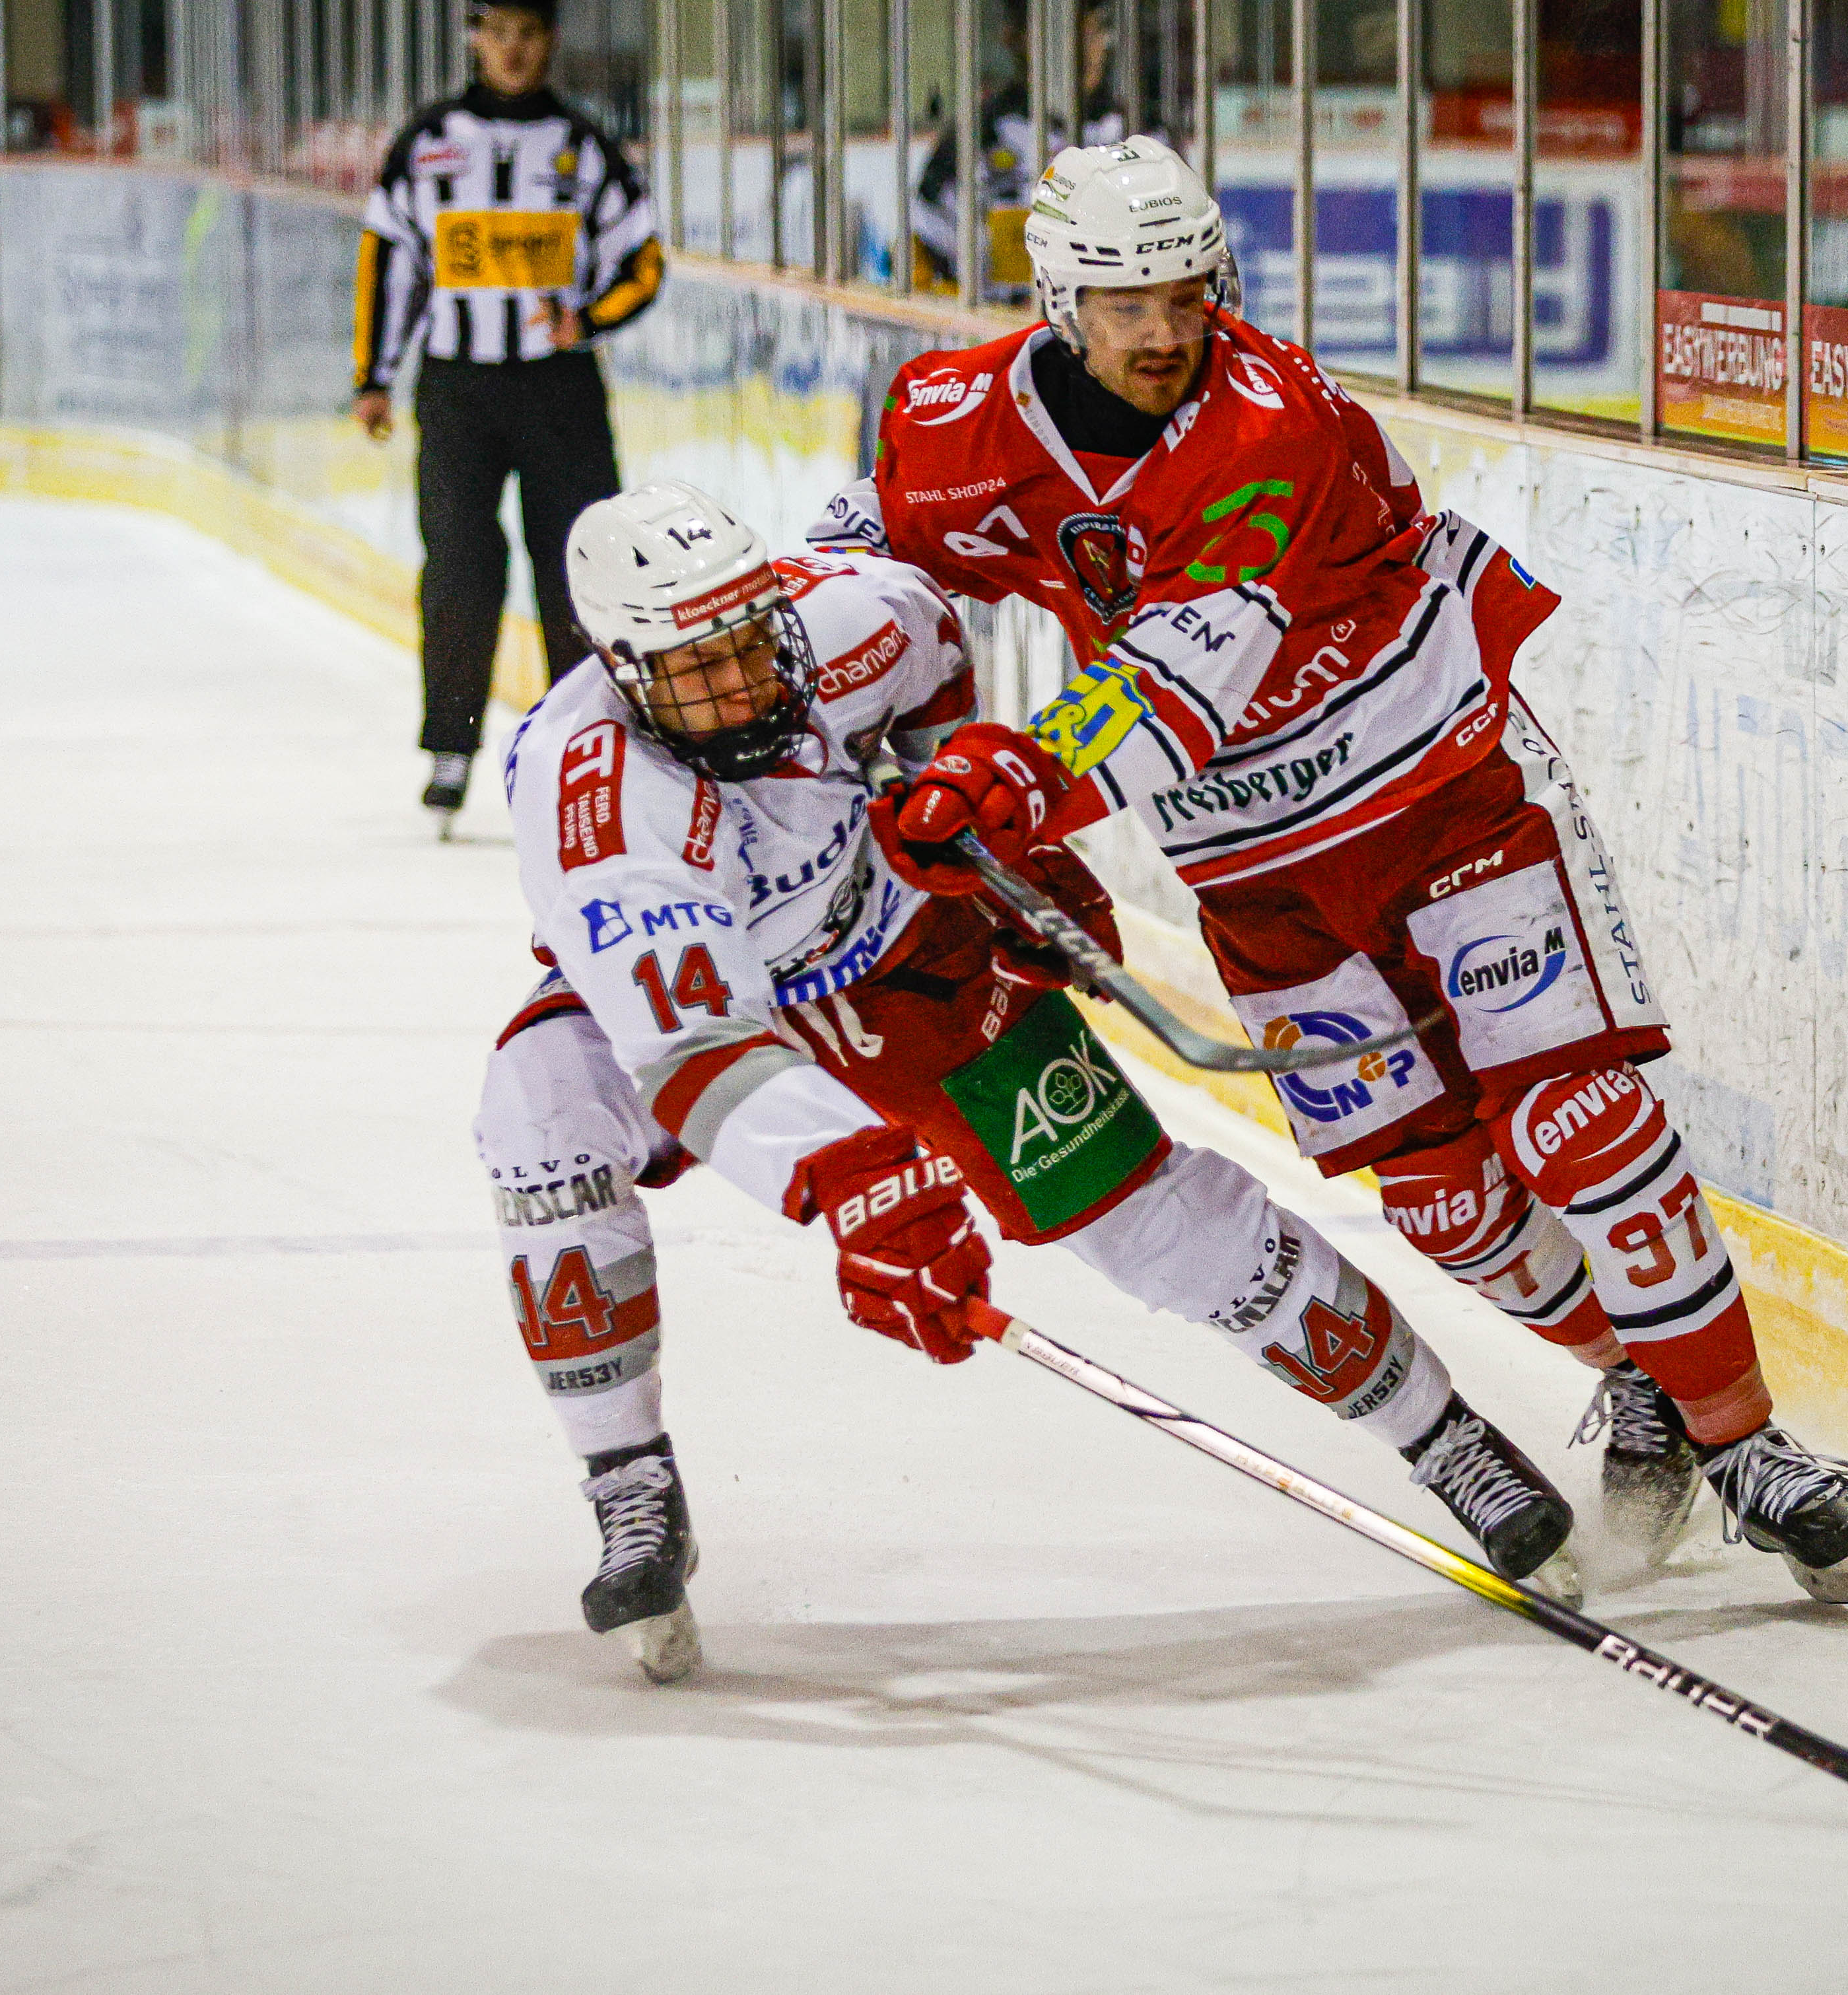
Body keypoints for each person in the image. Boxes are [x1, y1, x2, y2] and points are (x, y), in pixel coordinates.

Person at [817, 137, 1848, 1603]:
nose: (1166, 332)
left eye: (1188, 295)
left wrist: (1016, 781)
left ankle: (1747, 1446)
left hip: (1437, 793)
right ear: (1061, 303)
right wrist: (842, 679)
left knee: (1576, 1119)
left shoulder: (1270, 422)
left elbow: (1177, 678)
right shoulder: (955, 418)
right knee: (1446, 1200)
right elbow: (876, 544)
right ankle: (1640, 1375)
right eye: (1128, 306)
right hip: (1255, 872)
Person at [479, 477, 1586, 1681]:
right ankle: (629, 1480)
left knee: (1159, 1220)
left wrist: (976, 840)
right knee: (538, 1113)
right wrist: (855, 1182)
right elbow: (696, 1049)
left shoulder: (859, 618)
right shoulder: (595, 799)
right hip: (696, 1017)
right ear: (623, 667)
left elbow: (934, 683)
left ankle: (1445, 1438)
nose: (745, 681)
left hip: (904, 958)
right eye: (702, 669)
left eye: (753, 640)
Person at [353, 0, 666, 834]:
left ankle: (581, 749)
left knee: (578, 568)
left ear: (549, 42)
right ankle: (451, 746)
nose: (513, 49)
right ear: (474, 40)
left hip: (559, 389)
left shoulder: (584, 145)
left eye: (528, 34)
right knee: (458, 563)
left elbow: (642, 258)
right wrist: (373, 376)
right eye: (498, 33)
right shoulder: (427, 142)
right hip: (456, 388)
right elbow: (389, 258)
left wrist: (586, 320)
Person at [908, 0, 1129, 294]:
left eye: (1095, 31)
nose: (1083, 48)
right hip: (1005, 318)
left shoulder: (1135, 133)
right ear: (1016, 38)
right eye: (1064, 30)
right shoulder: (974, 139)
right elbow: (927, 253)